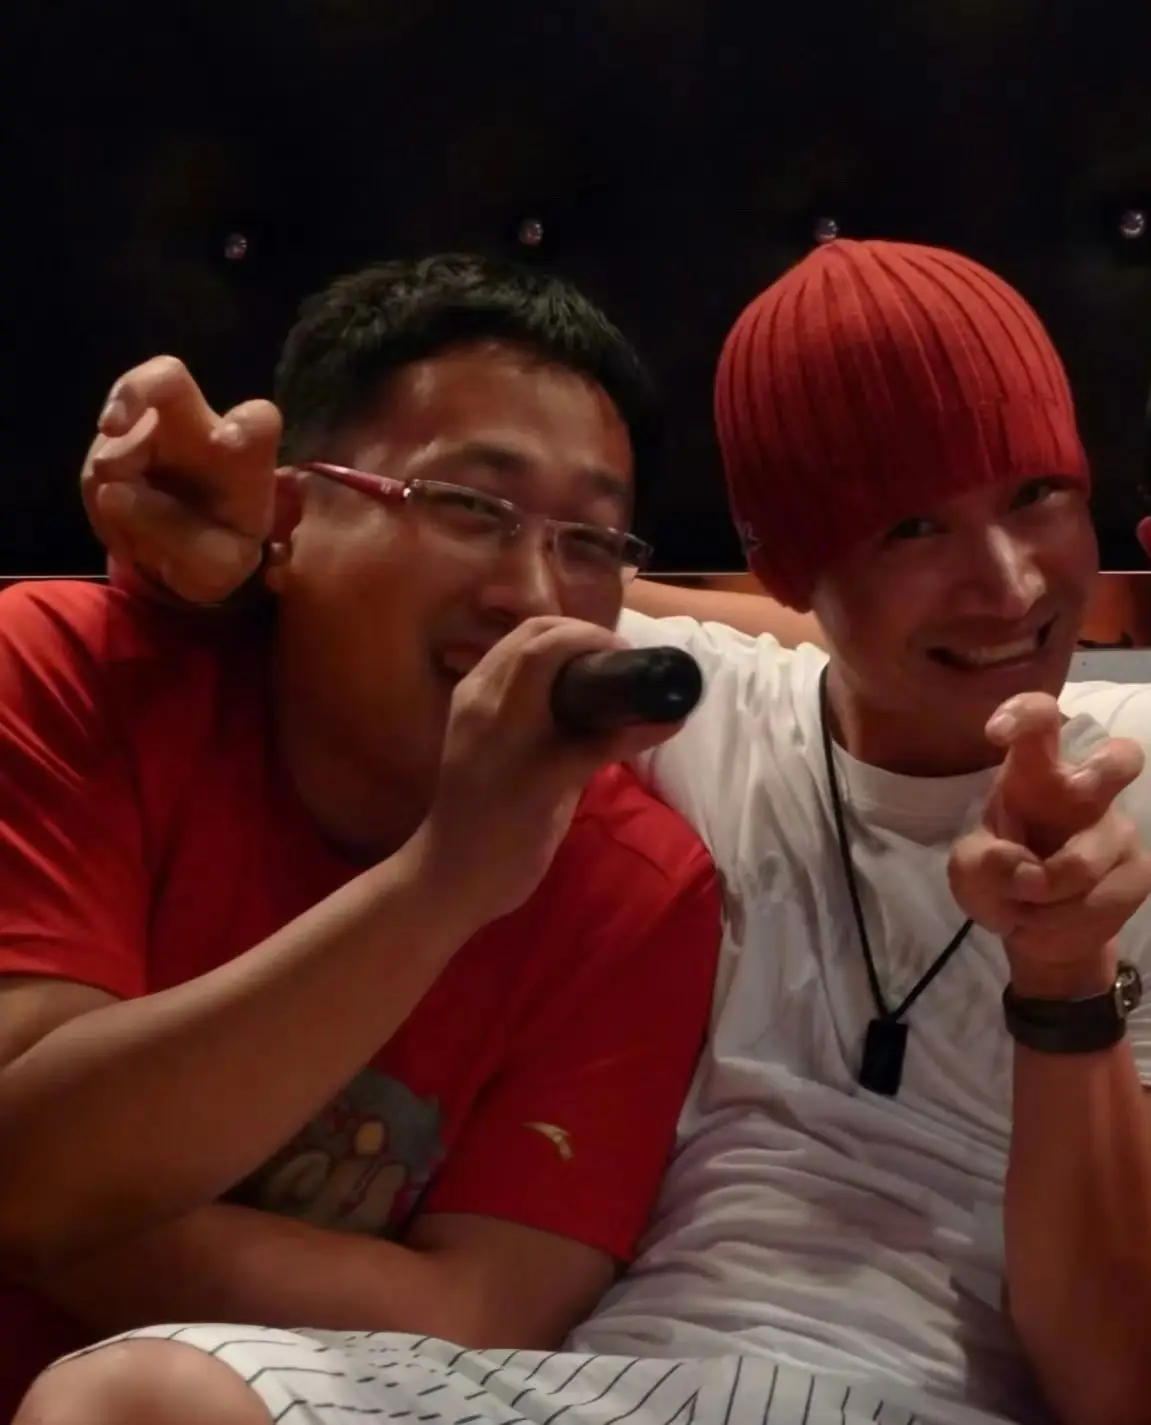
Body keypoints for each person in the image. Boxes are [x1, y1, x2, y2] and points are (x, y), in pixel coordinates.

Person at [18, 239, 1151, 1425]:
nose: (1006, 584)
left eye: (1037, 495)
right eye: (910, 527)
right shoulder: (670, 709)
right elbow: (513, 615)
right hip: (592, 1387)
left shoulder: (1123, 771)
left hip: (927, 1397)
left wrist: (1063, 982)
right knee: (135, 1402)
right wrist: (246, 550)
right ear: (782, 564)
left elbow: (1117, 1389)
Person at [0, 255, 724, 1418]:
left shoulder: (638, 886)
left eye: (589, 542)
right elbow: (24, 1173)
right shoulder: (70, 672)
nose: (532, 594)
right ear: (286, 521)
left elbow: (477, 1323)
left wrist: (79, 1199)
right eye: (470, 507)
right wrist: (443, 884)